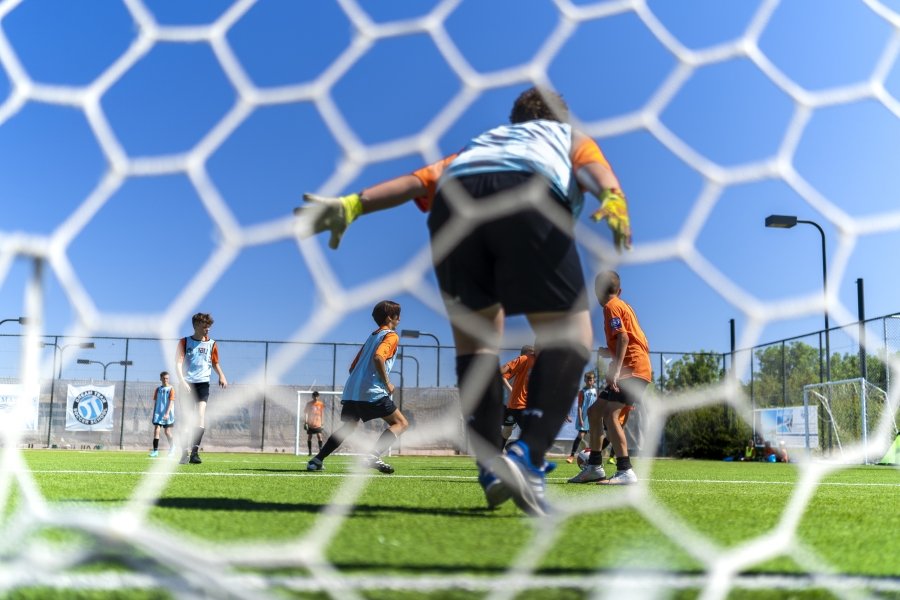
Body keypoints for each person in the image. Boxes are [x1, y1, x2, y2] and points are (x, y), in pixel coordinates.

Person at [298, 87, 630, 515]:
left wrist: (351, 205)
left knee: (478, 346)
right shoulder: (565, 137)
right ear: (559, 118)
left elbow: (418, 181)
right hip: (527, 195)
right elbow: (595, 172)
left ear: (515, 120)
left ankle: (492, 465)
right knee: (570, 336)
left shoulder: (483, 144)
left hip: (455, 208)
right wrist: (614, 198)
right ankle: (527, 456)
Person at [307, 301, 409, 474]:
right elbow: (378, 358)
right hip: (371, 390)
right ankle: (373, 455)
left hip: (351, 390)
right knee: (400, 423)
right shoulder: (391, 336)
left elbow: (352, 368)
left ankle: (316, 460)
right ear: (390, 318)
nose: (400, 319)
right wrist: (387, 382)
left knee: (348, 427)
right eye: (398, 315)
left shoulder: (372, 337)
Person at [590, 271, 651, 485]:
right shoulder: (623, 306)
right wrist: (610, 352)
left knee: (610, 414)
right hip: (636, 367)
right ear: (620, 290)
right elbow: (631, 339)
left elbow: (624, 338)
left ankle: (625, 470)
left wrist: (616, 369)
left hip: (632, 369)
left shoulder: (611, 307)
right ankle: (594, 467)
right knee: (594, 411)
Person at [175, 312, 228, 465]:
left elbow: (215, 362)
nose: (208, 329)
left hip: (203, 384)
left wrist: (221, 375)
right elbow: (178, 364)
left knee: (200, 416)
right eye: (205, 326)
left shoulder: (212, 343)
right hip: (187, 384)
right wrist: (182, 381)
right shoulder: (184, 342)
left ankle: (195, 453)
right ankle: (184, 452)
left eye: (209, 327)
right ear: (197, 326)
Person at [499, 345, 535, 446]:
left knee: (510, 431)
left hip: (521, 403)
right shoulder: (521, 362)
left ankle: (510, 448)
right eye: (530, 353)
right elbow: (503, 375)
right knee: (507, 431)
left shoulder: (532, 366)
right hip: (511, 404)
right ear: (524, 354)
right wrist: (510, 389)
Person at [566, 371, 597, 463]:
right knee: (580, 436)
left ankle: (593, 456)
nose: (589, 381)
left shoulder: (595, 391)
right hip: (584, 417)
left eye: (591, 379)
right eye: (588, 379)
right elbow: (579, 406)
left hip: (593, 417)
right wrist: (580, 419)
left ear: (593, 381)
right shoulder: (582, 392)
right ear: (585, 380)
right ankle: (571, 456)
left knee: (594, 437)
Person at [149, 371, 176, 458]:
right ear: (160, 378)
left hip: (167, 414)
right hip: (158, 414)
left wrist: (167, 413)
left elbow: (171, 402)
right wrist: (154, 413)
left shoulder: (171, 389)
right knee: (156, 430)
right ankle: (155, 451)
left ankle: (172, 447)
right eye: (164, 378)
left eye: (167, 378)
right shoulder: (158, 389)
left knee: (167, 432)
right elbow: (156, 402)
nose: (165, 380)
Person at [304, 391, 326, 456]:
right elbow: (306, 413)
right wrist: (305, 422)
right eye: (314, 396)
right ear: (312, 396)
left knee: (319, 436)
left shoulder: (320, 404)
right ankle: (310, 452)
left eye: (317, 396)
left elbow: (322, 413)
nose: (316, 397)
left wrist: (322, 422)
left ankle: (320, 451)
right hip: (310, 423)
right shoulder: (309, 404)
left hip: (318, 423)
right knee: (309, 437)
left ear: (318, 396)